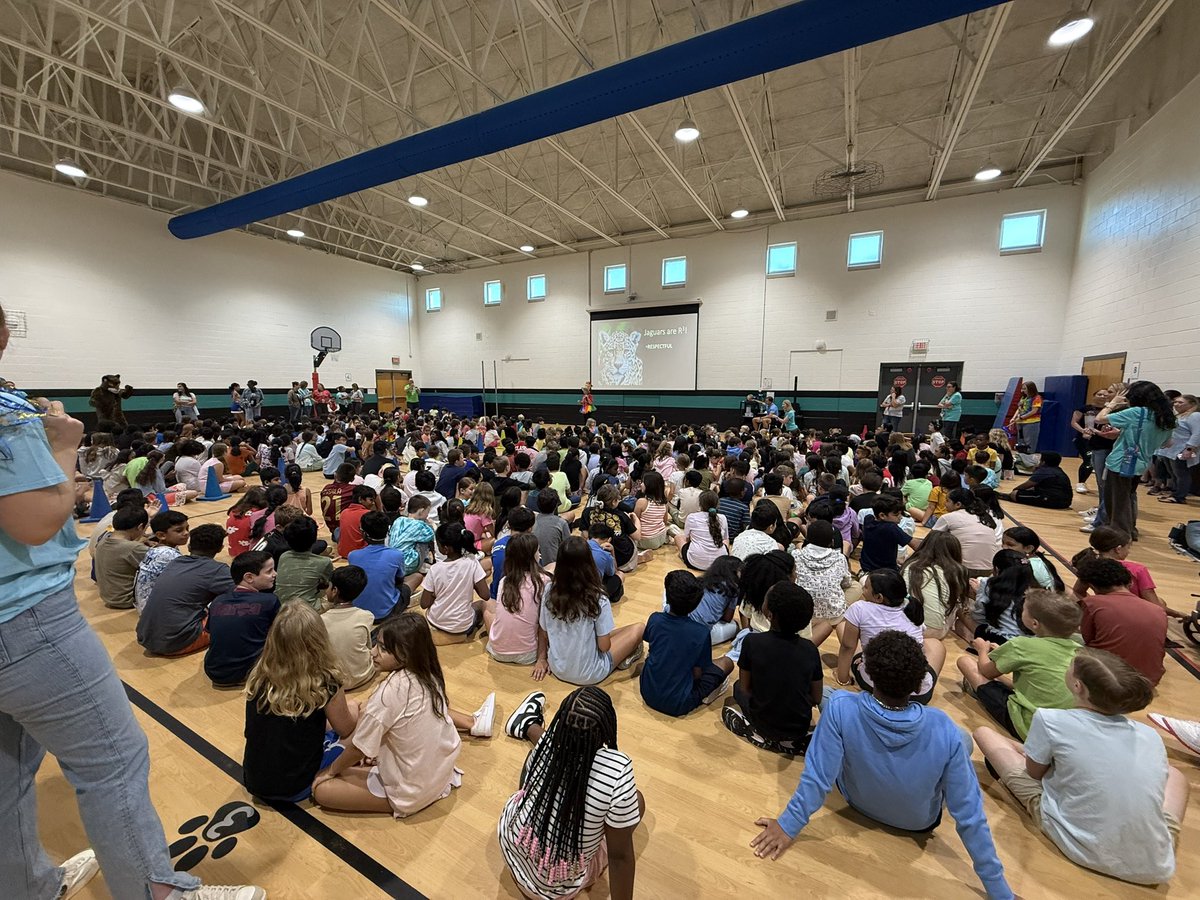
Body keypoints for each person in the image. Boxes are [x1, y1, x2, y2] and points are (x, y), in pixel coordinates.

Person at [0, 305, 260, 899]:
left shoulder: (142, 541)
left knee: (9, 774)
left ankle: (26, 885)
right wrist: (65, 446)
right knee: (113, 759)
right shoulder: (10, 413)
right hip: (23, 617)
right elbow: (34, 519)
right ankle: (156, 892)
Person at [750, 631, 1012, 900]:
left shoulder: (840, 707)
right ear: (919, 683)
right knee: (963, 740)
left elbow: (818, 777)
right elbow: (969, 813)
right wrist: (999, 890)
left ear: (868, 673)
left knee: (831, 701)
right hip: (918, 823)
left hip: (855, 800)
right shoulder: (942, 726)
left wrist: (787, 825)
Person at [974, 648, 1186, 886]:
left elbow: (1034, 773)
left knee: (984, 734)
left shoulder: (1051, 718)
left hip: (1077, 841)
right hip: (1155, 866)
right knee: (1175, 775)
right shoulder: (1149, 735)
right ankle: (1156, 838)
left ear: (1078, 686)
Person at [311, 613, 494, 815]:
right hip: (440, 772)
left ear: (405, 655)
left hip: (413, 790)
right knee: (364, 720)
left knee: (322, 789)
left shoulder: (389, 693)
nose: (373, 652)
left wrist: (330, 771)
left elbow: (357, 748)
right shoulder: (429, 675)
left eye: (383, 648)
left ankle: (399, 798)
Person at [498, 686, 642, 900]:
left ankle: (528, 725)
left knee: (536, 753)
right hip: (554, 887)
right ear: (607, 728)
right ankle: (527, 724)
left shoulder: (550, 741)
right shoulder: (617, 771)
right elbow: (619, 857)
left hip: (511, 845)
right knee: (638, 801)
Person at [242, 602, 359, 802]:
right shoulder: (326, 680)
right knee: (361, 724)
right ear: (319, 640)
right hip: (296, 786)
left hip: (253, 782)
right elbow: (346, 730)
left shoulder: (259, 675)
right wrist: (356, 708)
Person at [958, 589, 1081, 739]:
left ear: (1034, 623)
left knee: (965, 662)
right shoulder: (1079, 651)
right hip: (1062, 731)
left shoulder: (1022, 645)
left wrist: (982, 649)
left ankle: (982, 693)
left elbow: (985, 671)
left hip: (1027, 725)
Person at [722, 582, 822, 755]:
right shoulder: (810, 649)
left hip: (762, 716)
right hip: (798, 725)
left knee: (735, 690)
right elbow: (816, 697)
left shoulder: (752, 642)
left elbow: (745, 688)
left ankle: (757, 731)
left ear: (769, 614)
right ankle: (790, 742)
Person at [539, 537, 645, 685]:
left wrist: (541, 659)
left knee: (609, 633)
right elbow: (604, 647)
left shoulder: (549, 591)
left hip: (557, 667)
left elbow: (543, 632)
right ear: (589, 562)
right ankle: (626, 655)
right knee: (639, 628)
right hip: (590, 673)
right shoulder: (597, 597)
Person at [640, 571, 734, 716]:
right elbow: (697, 675)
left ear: (668, 597)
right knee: (727, 662)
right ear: (697, 603)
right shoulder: (701, 632)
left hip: (647, 691)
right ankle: (707, 694)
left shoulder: (655, 619)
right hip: (678, 703)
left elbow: (652, 647)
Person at [837, 570, 935, 704]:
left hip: (876, 687)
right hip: (919, 692)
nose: (863, 589)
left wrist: (843, 679)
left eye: (865, 587)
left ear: (879, 597)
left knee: (843, 628)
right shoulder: (911, 607)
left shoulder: (859, 608)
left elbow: (847, 647)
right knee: (935, 645)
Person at [137, 524, 232, 657]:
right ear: (220, 548)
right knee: (240, 610)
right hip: (176, 643)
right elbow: (244, 594)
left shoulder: (175, 562)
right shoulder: (217, 570)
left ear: (189, 547)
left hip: (145, 636)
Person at [1095, 380, 1175, 538]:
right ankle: (1130, 530)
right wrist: (1123, 433)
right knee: (1128, 497)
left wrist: (1112, 404)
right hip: (1141, 463)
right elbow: (1167, 442)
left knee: (1116, 502)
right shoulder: (1165, 416)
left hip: (1121, 462)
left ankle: (1119, 535)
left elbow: (1100, 419)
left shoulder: (1137, 412)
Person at [1073, 556, 1167, 684]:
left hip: (1108, 677)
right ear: (1130, 583)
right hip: (1149, 680)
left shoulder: (1092, 603)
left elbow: (1088, 638)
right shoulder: (1158, 610)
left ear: (1093, 586)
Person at [204, 551, 281, 687]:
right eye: (269, 571)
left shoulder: (218, 600)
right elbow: (281, 635)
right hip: (250, 671)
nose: (275, 574)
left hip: (213, 670)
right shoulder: (270, 601)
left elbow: (211, 633)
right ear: (249, 577)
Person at [485, 532, 551, 670]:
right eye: (537, 551)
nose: (540, 554)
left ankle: (500, 638)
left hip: (497, 652)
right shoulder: (544, 581)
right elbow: (543, 623)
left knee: (487, 607)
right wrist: (542, 658)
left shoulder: (504, 581)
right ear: (532, 556)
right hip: (529, 655)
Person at [420, 522, 488, 636]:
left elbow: (424, 603)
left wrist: (434, 595)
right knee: (481, 605)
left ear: (445, 548)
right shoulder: (471, 562)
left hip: (436, 622)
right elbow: (485, 595)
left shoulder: (435, 569)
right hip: (462, 626)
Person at [790, 520, 852, 644]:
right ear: (832, 541)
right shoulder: (839, 558)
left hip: (800, 609)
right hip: (832, 612)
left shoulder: (796, 555)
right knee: (856, 586)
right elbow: (846, 583)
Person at [349, 512, 413, 624]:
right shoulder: (397, 555)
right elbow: (399, 581)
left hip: (358, 613)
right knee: (416, 577)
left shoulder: (353, 555)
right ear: (388, 532)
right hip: (386, 614)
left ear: (363, 533)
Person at [321, 565, 377, 690]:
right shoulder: (367, 616)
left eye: (328, 587)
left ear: (334, 590)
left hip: (333, 682)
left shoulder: (321, 620)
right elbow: (367, 646)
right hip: (362, 676)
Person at [930, 488, 1000, 576]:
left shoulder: (948, 517)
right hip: (988, 569)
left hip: (962, 569)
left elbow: (929, 541)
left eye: (947, 501)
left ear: (958, 504)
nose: (945, 504)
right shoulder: (984, 516)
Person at [132, 510, 190, 614]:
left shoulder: (156, 549)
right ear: (161, 535)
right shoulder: (168, 555)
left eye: (187, 528)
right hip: (156, 612)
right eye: (179, 530)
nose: (186, 533)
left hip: (144, 605)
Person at [94, 503, 149, 609]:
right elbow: (161, 560)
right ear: (140, 527)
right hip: (127, 599)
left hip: (109, 598)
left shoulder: (103, 541)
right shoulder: (132, 548)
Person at [274, 517, 334, 609]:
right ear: (314, 540)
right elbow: (328, 582)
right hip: (307, 611)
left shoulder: (284, 556)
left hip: (281, 609)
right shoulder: (323, 562)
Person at [1153, 392, 1200, 505]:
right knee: (1173, 472)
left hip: (1183, 450)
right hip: (1171, 450)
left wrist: (1190, 449)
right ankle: (1175, 492)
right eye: (1175, 402)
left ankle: (1180, 496)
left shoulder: (1194, 416)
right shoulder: (1179, 415)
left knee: (1181, 472)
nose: (1176, 404)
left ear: (1191, 404)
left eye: (1180, 402)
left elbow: (1197, 433)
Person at [858, 494, 919, 572]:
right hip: (886, 571)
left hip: (866, 568)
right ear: (882, 515)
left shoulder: (868, 519)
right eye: (896, 515)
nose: (900, 517)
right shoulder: (891, 528)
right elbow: (916, 545)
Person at [691, 554, 742, 645]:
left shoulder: (701, 580)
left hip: (683, 623)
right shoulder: (733, 588)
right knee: (736, 626)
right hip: (702, 633)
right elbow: (727, 618)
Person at [674, 489, 729, 571]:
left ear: (700, 504)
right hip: (719, 564)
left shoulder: (692, 517)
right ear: (717, 504)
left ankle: (683, 555)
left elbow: (687, 538)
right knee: (726, 540)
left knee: (678, 537)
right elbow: (724, 539)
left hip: (695, 562)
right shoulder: (723, 518)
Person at [1005, 451, 1072, 508]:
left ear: (1043, 462)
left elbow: (1027, 485)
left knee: (1014, 494)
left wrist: (1015, 490)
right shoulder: (1059, 470)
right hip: (1066, 501)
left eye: (1040, 460)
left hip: (1053, 500)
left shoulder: (1044, 471)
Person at [1008, 381, 1042, 452]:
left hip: (1031, 423)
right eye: (1022, 389)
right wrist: (1013, 418)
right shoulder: (1024, 398)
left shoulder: (1037, 398)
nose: (1022, 391)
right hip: (1020, 423)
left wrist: (1021, 417)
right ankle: (1021, 456)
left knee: (1029, 441)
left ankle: (1029, 457)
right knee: (1020, 440)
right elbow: (1019, 409)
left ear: (1031, 389)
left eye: (1024, 389)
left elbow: (1034, 411)